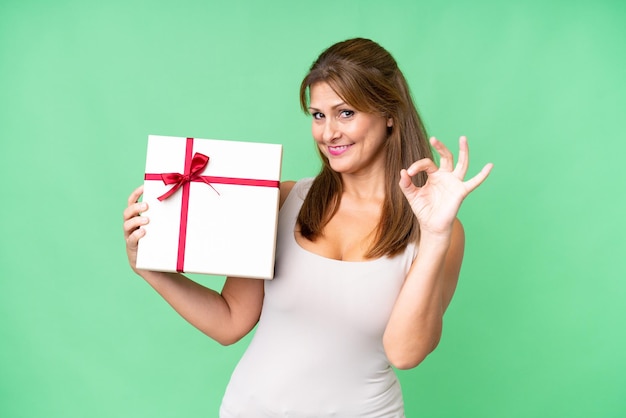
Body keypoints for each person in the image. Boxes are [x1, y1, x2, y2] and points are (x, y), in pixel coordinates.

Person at [123, 37, 492, 417]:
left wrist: (434, 237)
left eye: (345, 113)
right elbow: (230, 320)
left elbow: (406, 352)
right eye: (318, 115)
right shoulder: (281, 200)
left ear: (389, 114)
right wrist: (150, 268)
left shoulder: (436, 231)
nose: (328, 132)